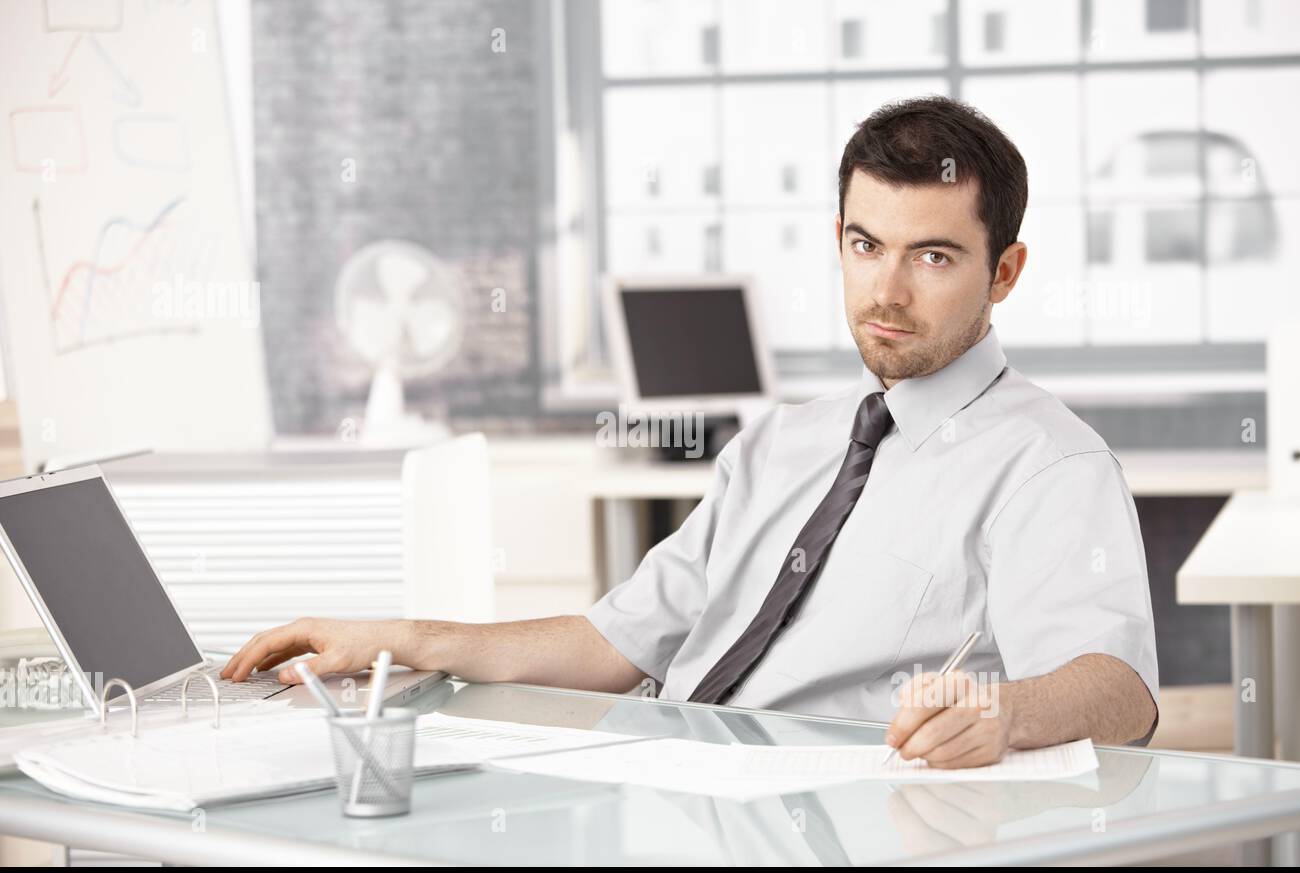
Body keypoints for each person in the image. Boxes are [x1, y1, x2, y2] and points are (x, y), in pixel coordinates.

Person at [223, 96, 1159, 769]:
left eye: (935, 257)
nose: (887, 291)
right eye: (867, 246)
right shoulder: (778, 446)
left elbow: (1120, 693)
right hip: (671, 793)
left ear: (1005, 273)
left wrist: (1002, 714)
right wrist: (397, 639)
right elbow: (615, 644)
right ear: (838, 237)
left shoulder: (1051, 465)